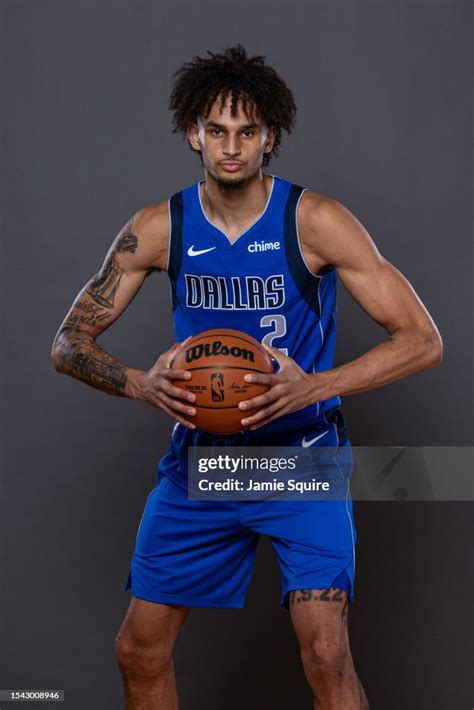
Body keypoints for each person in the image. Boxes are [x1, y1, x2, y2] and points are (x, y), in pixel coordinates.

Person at [51, 44, 442, 710]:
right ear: (193, 134)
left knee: (327, 652)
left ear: (271, 138)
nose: (231, 147)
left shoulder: (314, 221)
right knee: (138, 651)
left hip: (302, 464)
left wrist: (313, 386)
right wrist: (142, 383)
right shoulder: (158, 228)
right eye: (218, 131)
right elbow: (69, 342)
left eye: (248, 132)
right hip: (204, 467)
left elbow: (422, 339)